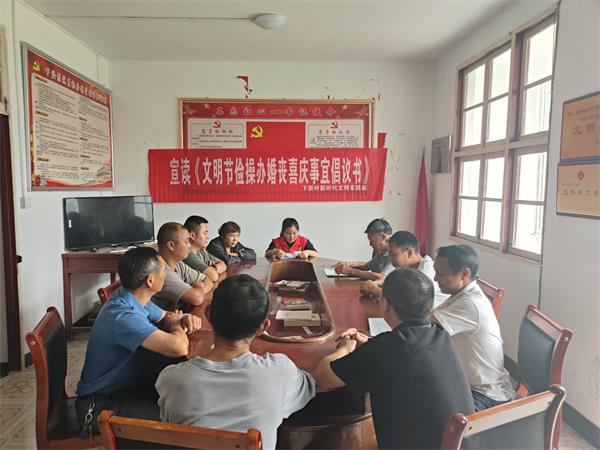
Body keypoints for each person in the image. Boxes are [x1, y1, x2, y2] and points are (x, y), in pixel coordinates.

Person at [313, 268, 474, 449]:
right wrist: (370, 344)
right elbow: (403, 352)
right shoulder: (441, 336)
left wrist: (345, 348)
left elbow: (323, 377)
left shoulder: (385, 348)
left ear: (385, 304)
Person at [156, 274, 315, 450]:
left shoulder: (172, 379)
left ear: (208, 314)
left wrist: (176, 327)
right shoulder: (280, 371)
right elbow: (314, 384)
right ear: (262, 327)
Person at [76, 247, 202, 435]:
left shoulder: (133, 297)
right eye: (163, 270)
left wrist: (183, 318)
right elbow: (179, 347)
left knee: (184, 395)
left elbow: (166, 316)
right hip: (101, 405)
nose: (166, 274)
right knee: (179, 422)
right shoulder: (122, 315)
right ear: (150, 281)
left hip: (129, 387)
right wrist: (177, 326)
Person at [432, 244, 515, 411]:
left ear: (465, 273)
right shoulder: (460, 294)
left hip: (485, 395)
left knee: (425, 409)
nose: (435, 278)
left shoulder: (470, 303)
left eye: (440, 273)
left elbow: (424, 326)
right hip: (469, 384)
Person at [360, 231, 449, 307]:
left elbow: (410, 299)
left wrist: (375, 290)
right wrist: (375, 286)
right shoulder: (407, 269)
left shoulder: (426, 269)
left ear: (409, 253)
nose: (390, 259)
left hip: (433, 319)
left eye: (393, 254)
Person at [153, 222, 214, 311]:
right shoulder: (161, 271)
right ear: (171, 245)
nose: (189, 246)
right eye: (186, 241)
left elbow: (208, 280)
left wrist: (199, 290)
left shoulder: (179, 264)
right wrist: (199, 287)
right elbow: (197, 299)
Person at [182, 215, 227, 281]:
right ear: (192, 235)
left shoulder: (201, 250)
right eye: (205, 233)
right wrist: (211, 270)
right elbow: (213, 276)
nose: (208, 237)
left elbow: (223, 264)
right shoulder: (187, 254)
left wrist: (212, 268)